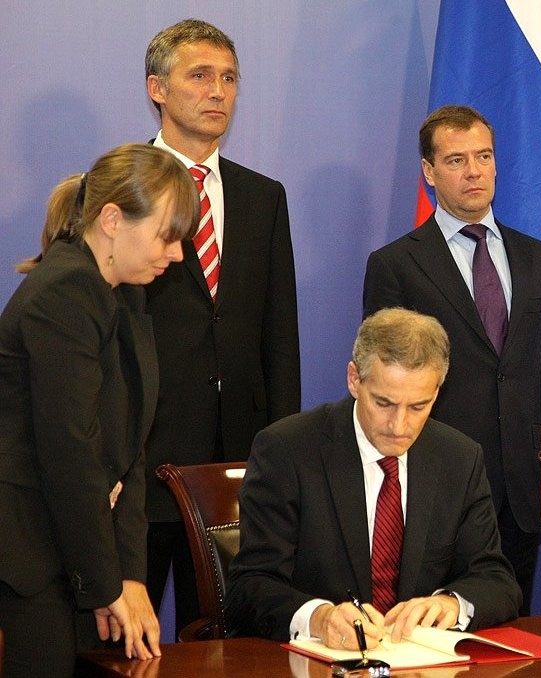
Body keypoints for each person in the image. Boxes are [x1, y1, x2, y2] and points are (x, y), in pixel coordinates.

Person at [362, 105, 541, 614]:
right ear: (429, 172)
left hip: (523, 487)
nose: (475, 171)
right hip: (434, 484)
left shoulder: (538, 258)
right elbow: (384, 387)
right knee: (431, 629)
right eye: (457, 160)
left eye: (484, 156)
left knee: (509, 628)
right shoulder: (396, 264)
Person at [0, 143, 198, 677]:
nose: (177, 255)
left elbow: (130, 453)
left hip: (85, 550)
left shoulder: (123, 290)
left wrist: (130, 576)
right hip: (34, 560)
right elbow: (71, 454)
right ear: (112, 219)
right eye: (167, 235)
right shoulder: (64, 291)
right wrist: (106, 583)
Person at [226, 308, 521, 647]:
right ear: (354, 379)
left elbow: (496, 579)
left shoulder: (459, 458)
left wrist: (449, 604)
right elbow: (248, 586)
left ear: (437, 393)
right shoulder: (288, 451)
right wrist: (319, 618)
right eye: (384, 403)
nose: (399, 426)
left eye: (418, 406)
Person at [142, 18, 301, 632]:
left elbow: (278, 334)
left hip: (240, 459)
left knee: (228, 637)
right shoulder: (122, 187)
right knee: (128, 640)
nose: (218, 92)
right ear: (158, 88)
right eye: (200, 76)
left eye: (229, 78)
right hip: (148, 454)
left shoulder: (263, 196)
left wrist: (283, 450)